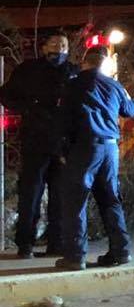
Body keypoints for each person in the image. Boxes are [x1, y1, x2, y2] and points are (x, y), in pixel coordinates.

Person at [55, 45, 134, 271]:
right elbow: (131, 110)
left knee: (76, 201)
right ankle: (121, 251)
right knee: (110, 199)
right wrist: (129, 95)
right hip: (110, 150)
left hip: (84, 148)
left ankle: (75, 257)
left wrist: (63, 151)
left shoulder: (73, 85)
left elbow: (63, 121)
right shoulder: (115, 85)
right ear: (105, 64)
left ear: (85, 62)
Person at [0, 32, 77, 258]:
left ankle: (57, 243)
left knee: (60, 196)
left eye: (63, 44)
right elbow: (5, 95)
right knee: (30, 194)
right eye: (54, 43)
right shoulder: (28, 70)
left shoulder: (72, 72)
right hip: (35, 140)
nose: (59, 48)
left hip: (63, 143)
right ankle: (26, 244)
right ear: (43, 48)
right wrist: (28, 109)